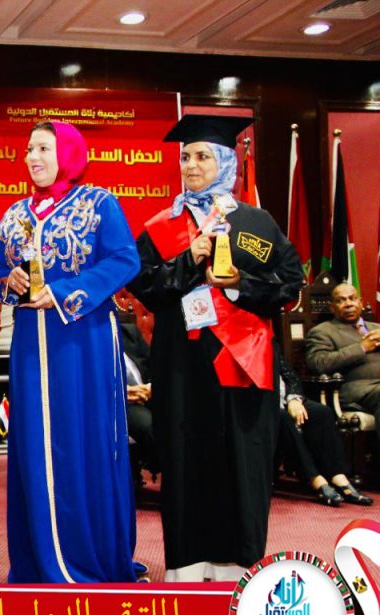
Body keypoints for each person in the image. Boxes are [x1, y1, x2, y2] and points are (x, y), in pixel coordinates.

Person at [127, 114, 302, 582]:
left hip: (244, 362)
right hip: (182, 365)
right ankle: (187, 563)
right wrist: (190, 259)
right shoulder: (161, 226)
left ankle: (238, 563)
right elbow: (145, 288)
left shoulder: (257, 223)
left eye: (202, 156)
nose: (191, 165)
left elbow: (290, 283)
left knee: (244, 461)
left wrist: (241, 284)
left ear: (225, 162)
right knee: (186, 459)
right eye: (185, 157)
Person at [0, 121, 140, 584]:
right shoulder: (15, 214)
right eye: (29, 149)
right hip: (30, 347)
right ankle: (39, 559)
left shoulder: (98, 204)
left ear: (69, 154)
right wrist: (8, 280)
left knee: (82, 440)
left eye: (44, 148)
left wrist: (61, 293)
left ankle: (88, 556)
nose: (33, 157)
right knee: (35, 443)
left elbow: (125, 260)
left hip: (83, 343)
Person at [276, 348, 373, 506]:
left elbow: (290, 376)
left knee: (322, 413)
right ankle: (315, 479)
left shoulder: (269, 342)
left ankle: (338, 477)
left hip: (285, 398)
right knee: (283, 418)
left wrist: (293, 399)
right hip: (260, 404)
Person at [305, 282, 380, 453]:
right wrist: (361, 347)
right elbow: (318, 363)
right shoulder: (323, 331)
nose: (348, 304)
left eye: (352, 298)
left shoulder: (377, 328)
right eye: (341, 300)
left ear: (360, 302)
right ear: (332, 307)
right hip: (356, 388)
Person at [121, 321, 157, 485]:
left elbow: (154, 367)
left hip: (149, 395)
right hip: (121, 403)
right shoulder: (89, 340)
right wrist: (123, 392)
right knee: (148, 426)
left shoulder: (130, 332)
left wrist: (151, 388)